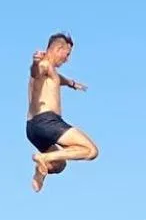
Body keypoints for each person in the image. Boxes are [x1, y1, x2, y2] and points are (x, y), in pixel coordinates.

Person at [26, 32, 99, 192]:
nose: (67, 59)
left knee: (59, 164)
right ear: (58, 49)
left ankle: (40, 172)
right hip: (47, 122)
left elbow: (57, 78)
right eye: (67, 54)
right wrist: (34, 62)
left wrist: (71, 83)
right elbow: (36, 72)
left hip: (32, 129)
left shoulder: (51, 70)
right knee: (91, 151)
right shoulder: (43, 65)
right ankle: (43, 158)